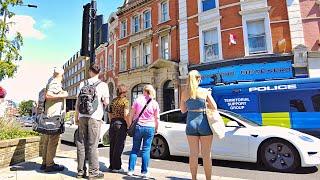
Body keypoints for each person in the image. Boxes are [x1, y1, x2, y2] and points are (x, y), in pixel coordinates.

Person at [180, 70, 216, 180]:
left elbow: (182, 110)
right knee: (206, 155)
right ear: (198, 79)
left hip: (191, 123)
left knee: (193, 154)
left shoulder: (184, 93)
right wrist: (204, 104)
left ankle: (194, 178)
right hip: (204, 122)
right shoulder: (204, 91)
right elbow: (214, 107)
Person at [75, 64, 109, 179]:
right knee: (93, 145)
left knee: (81, 144)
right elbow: (106, 103)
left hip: (82, 116)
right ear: (99, 72)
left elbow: (78, 102)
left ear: (90, 71)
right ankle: (93, 172)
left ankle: (80, 172)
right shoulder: (103, 85)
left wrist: (76, 116)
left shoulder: (82, 84)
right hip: (95, 117)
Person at [127, 84, 160, 178]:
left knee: (135, 149)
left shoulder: (137, 100)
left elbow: (131, 114)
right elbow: (157, 118)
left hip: (138, 126)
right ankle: (144, 172)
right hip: (150, 127)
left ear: (144, 91)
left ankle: (130, 170)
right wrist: (156, 128)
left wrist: (130, 125)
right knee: (146, 150)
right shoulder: (155, 103)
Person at [41, 67, 68, 172]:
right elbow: (48, 95)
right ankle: (50, 164)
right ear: (61, 74)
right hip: (54, 116)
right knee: (53, 141)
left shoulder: (50, 81)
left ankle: (45, 162)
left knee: (47, 140)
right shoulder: (55, 83)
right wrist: (63, 94)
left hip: (49, 115)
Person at [108, 84, 129, 173]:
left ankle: (112, 165)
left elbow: (109, 113)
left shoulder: (113, 101)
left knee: (112, 145)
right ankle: (117, 167)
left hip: (113, 123)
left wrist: (111, 122)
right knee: (119, 145)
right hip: (121, 124)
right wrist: (128, 125)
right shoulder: (125, 101)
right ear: (124, 92)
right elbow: (125, 115)